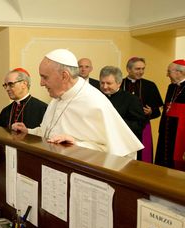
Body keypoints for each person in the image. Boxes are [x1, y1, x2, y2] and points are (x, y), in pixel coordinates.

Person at [12, 49, 143, 158]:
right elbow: (49, 133)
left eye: (45, 77)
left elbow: (121, 153)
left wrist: (77, 145)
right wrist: (28, 131)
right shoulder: (57, 98)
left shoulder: (94, 102)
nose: (41, 83)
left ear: (64, 76)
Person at [121, 57, 163, 163]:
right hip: (123, 126)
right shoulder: (120, 83)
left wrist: (151, 112)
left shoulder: (150, 85)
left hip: (143, 126)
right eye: (137, 69)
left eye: (143, 69)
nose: (141, 72)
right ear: (128, 69)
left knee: (143, 157)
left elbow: (158, 112)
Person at [99, 66, 146, 139]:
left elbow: (139, 125)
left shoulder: (131, 99)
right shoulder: (96, 96)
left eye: (109, 83)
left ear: (119, 83)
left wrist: (115, 122)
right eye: (102, 83)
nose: (104, 87)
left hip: (122, 141)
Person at [155, 59, 185, 171]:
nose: (167, 75)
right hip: (167, 130)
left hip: (181, 133)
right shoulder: (171, 87)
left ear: (179, 72)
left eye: (169, 71)